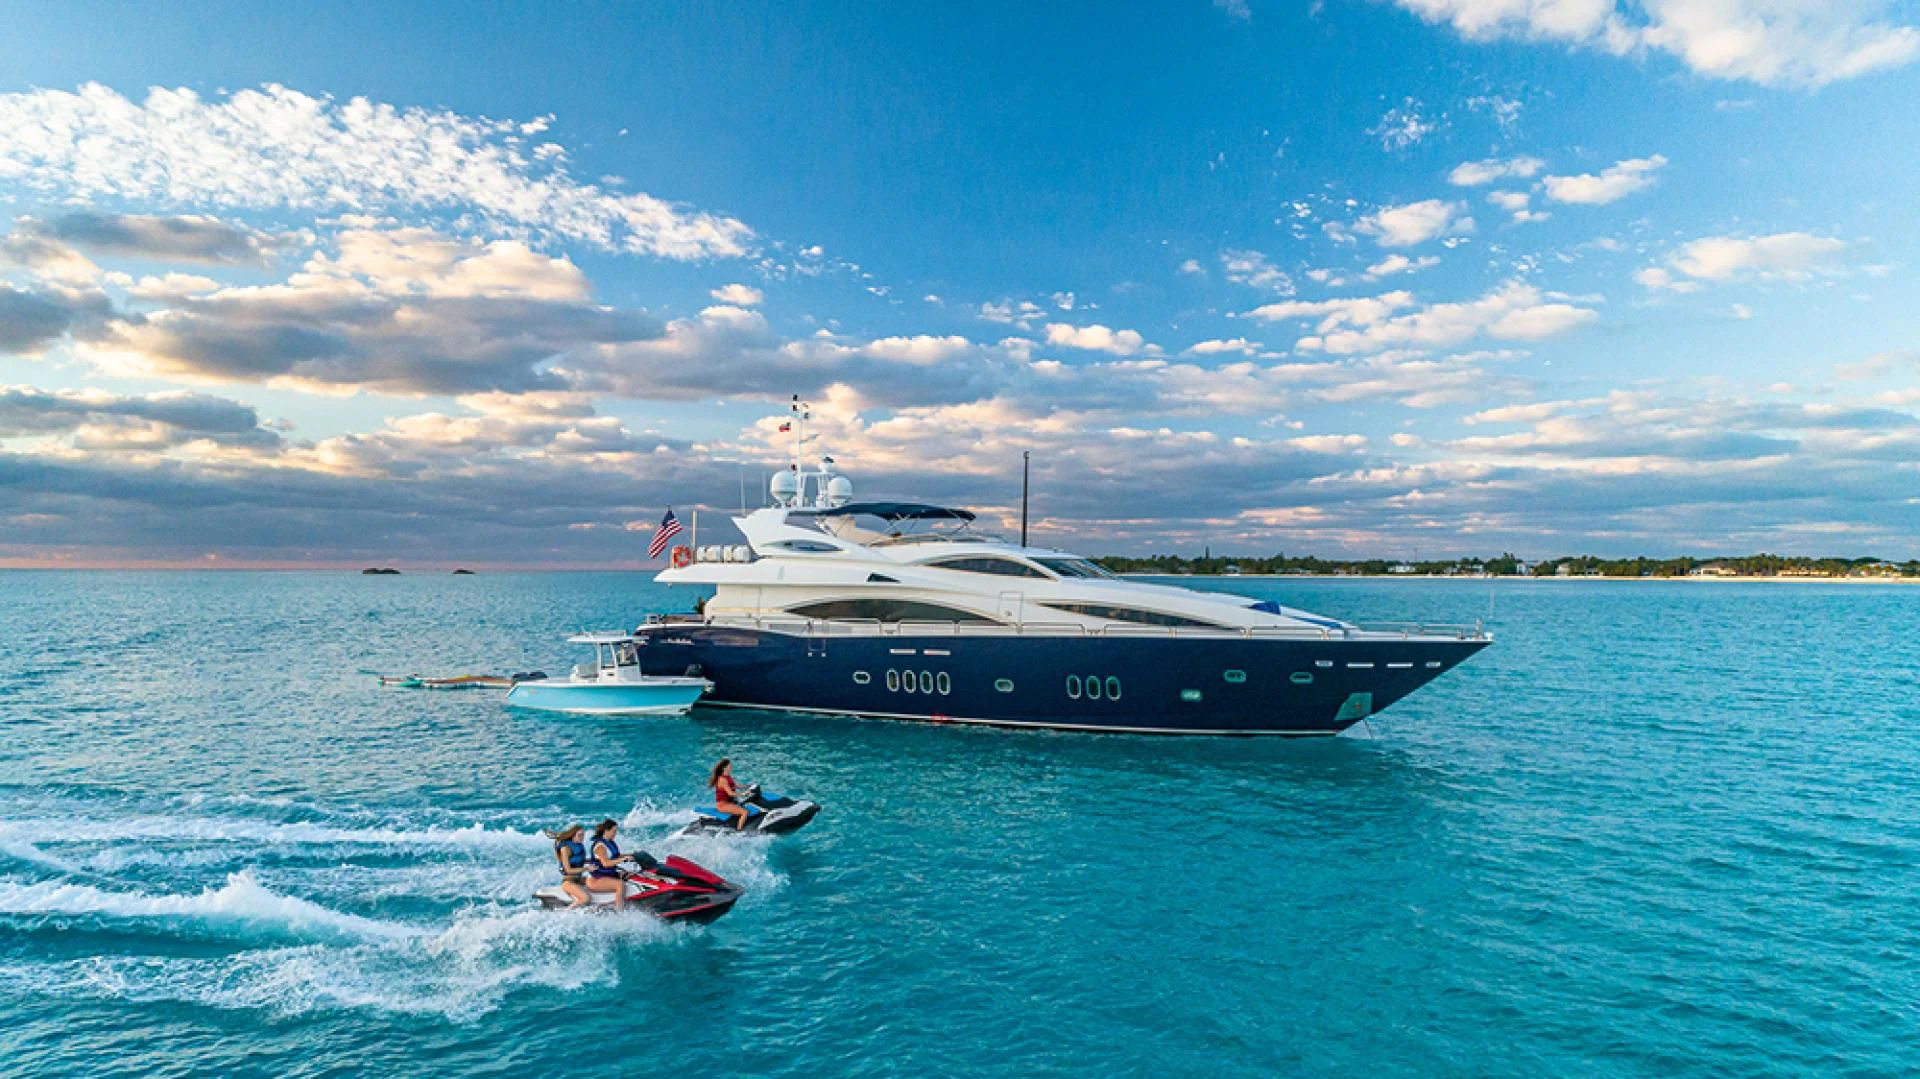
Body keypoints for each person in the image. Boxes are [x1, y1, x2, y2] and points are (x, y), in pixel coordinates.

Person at [586, 819, 629, 910]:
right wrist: (623, 859)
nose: (615, 834)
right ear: (606, 830)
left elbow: (616, 856)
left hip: (606, 875)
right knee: (620, 884)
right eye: (614, 831)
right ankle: (620, 911)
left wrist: (632, 855)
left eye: (616, 831)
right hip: (596, 879)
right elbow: (606, 863)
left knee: (629, 875)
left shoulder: (609, 842)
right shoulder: (600, 846)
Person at [548, 824, 590, 908]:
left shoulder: (578, 845)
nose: (582, 837)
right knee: (585, 898)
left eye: (583, 835)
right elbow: (568, 870)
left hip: (579, 879)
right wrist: (586, 869)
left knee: (597, 881)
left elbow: (578, 861)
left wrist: (595, 860)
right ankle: (566, 912)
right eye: (580, 835)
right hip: (568, 881)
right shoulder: (565, 848)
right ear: (573, 835)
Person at [709, 758, 751, 831]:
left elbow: (736, 785)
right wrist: (743, 794)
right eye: (729, 765)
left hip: (730, 802)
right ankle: (739, 831)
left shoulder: (728, 776)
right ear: (724, 768)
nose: (731, 766)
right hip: (723, 805)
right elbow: (730, 793)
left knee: (745, 806)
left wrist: (748, 786)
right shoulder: (722, 780)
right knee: (745, 812)